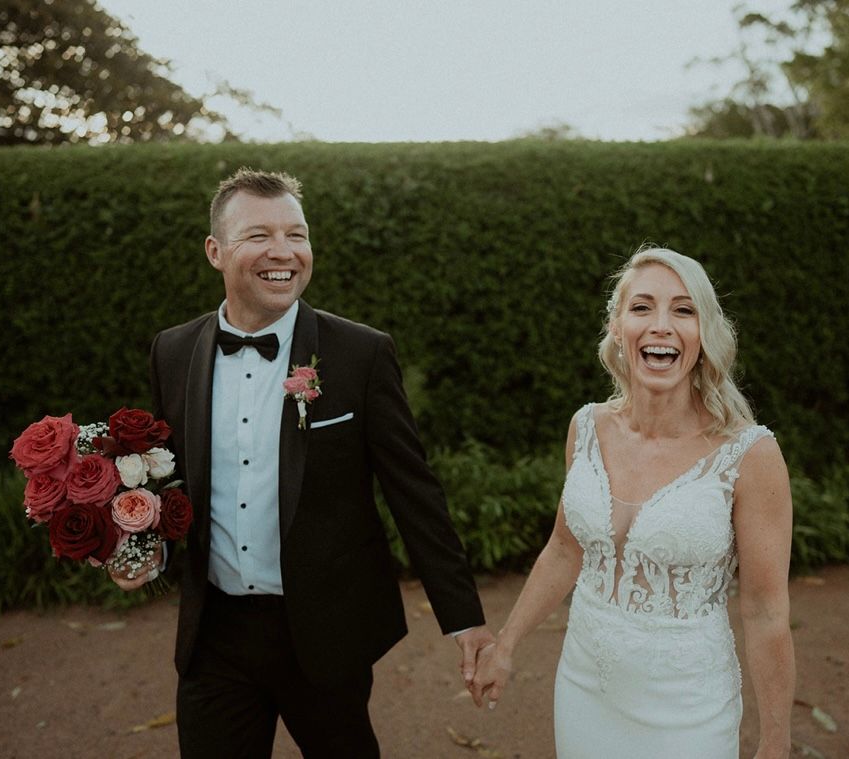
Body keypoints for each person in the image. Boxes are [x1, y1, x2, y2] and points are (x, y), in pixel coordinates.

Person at [111, 168, 494, 758]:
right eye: (258, 236)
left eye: (297, 234)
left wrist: (463, 618)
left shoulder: (360, 354)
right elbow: (171, 479)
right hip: (215, 634)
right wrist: (145, 548)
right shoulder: (173, 350)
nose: (283, 252)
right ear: (216, 251)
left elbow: (412, 491)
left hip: (324, 630)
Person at [471, 247, 795, 758]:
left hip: (690, 710)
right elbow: (563, 548)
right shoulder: (586, 428)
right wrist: (507, 644)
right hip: (584, 689)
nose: (661, 325)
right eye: (642, 307)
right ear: (618, 328)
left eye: (683, 310)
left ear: (704, 334)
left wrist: (776, 741)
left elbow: (764, 611)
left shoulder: (750, 455)